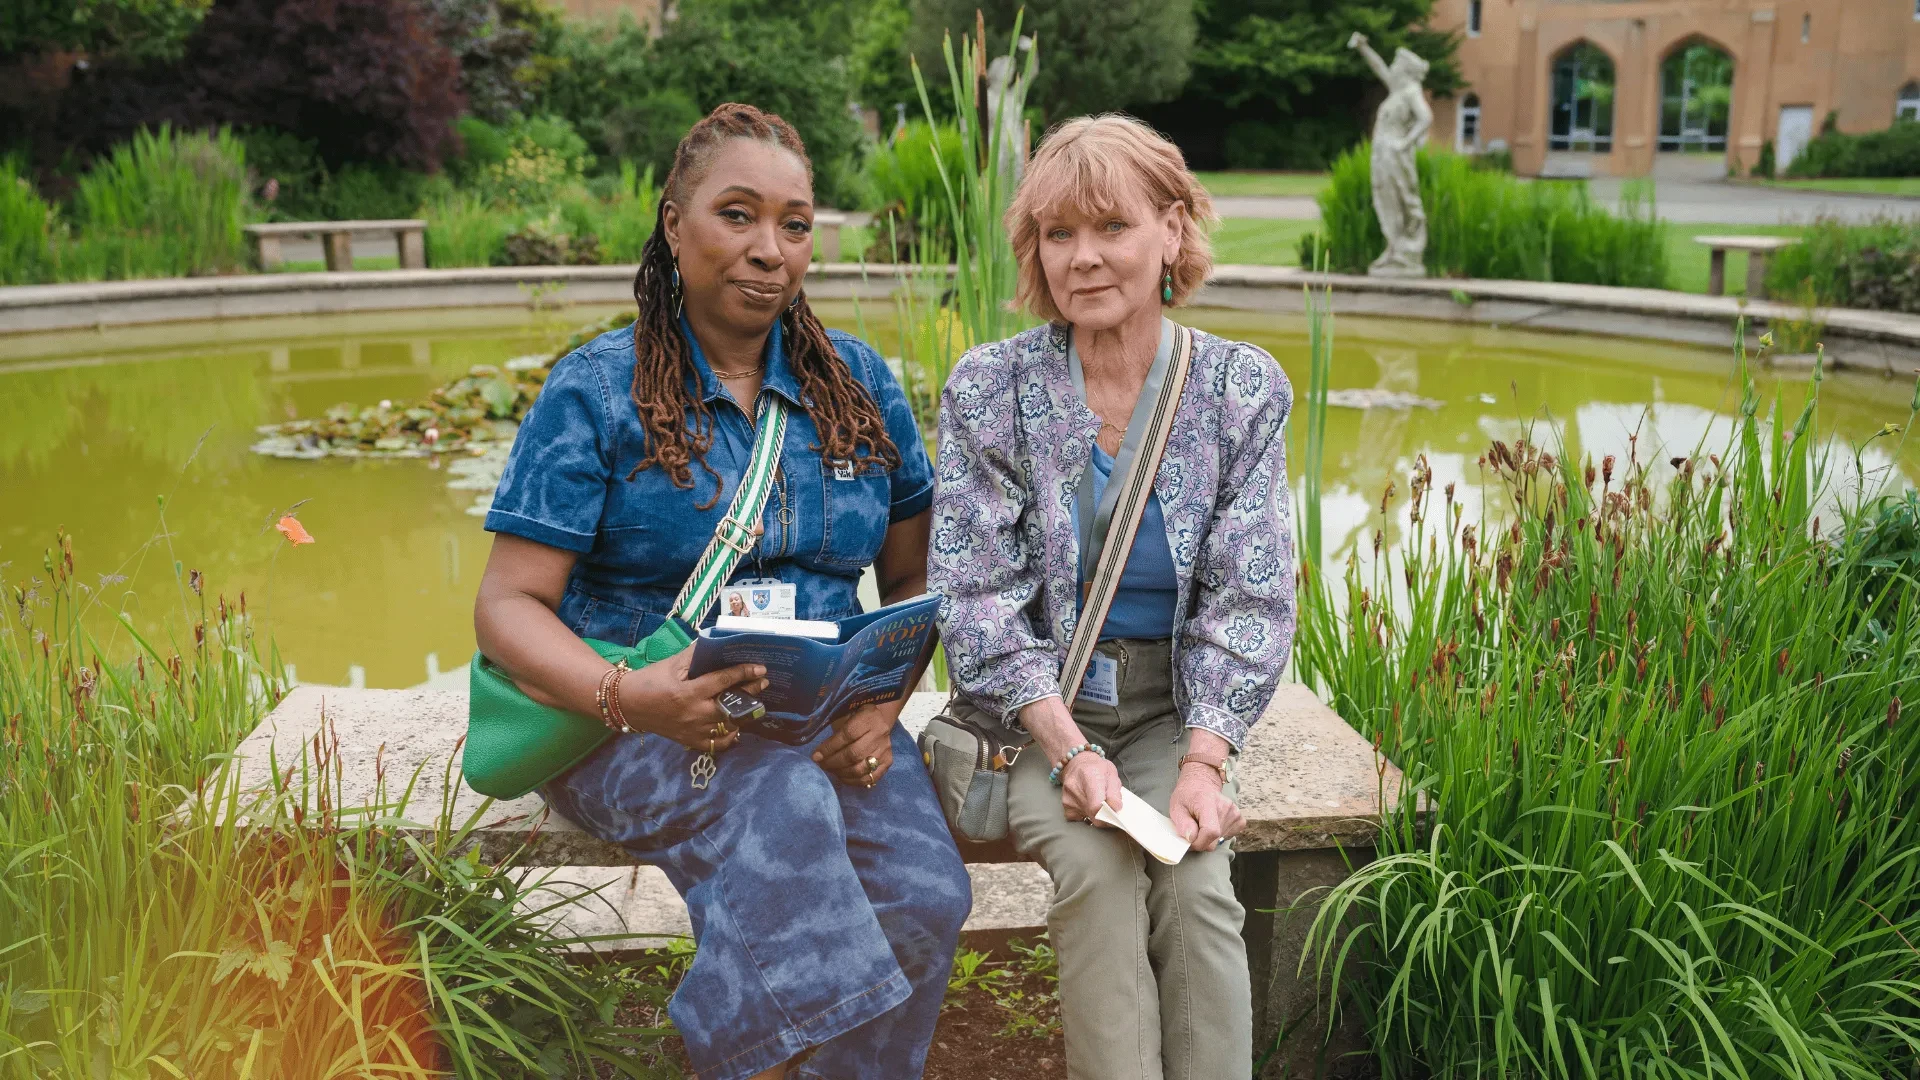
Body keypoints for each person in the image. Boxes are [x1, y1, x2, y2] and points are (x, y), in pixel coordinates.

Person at [473, 103, 970, 1080]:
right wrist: (633, 695)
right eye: (737, 215)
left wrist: (884, 703)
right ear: (674, 224)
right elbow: (507, 605)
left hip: (824, 714)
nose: (769, 249)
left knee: (923, 898)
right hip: (634, 712)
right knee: (781, 809)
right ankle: (737, 1058)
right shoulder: (595, 391)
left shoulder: (861, 384)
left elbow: (916, 575)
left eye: (794, 224)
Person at [929, 114, 1296, 1080]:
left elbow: (1248, 596)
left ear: (1172, 229)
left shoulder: (1241, 388)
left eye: (1112, 228)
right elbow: (973, 597)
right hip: (1039, 711)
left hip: (1173, 707)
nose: (1083, 258)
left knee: (1198, 878)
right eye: (1058, 235)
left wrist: (1207, 761)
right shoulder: (990, 389)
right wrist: (1070, 748)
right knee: (1094, 871)